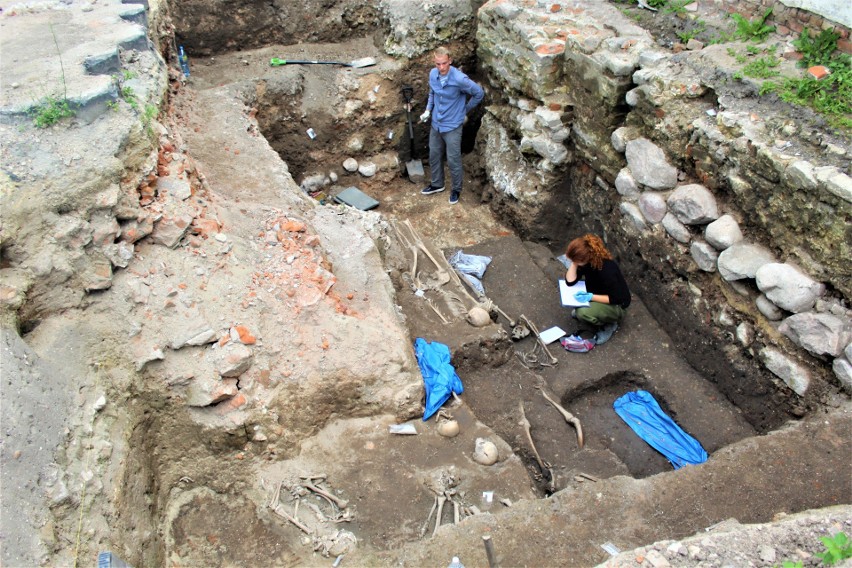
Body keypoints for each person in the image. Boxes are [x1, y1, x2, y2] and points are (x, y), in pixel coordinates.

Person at [419, 46, 484, 205]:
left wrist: (464, 110)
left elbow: (479, 94)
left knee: (453, 159)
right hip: (436, 123)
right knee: (434, 154)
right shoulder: (433, 74)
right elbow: (432, 93)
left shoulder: (460, 79)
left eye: (444, 63)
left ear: (450, 61)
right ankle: (437, 184)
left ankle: (456, 189)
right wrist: (428, 109)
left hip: (453, 126)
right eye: (437, 64)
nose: (441, 67)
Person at [564, 234, 631, 345]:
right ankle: (596, 311)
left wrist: (590, 296)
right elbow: (570, 282)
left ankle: (609, 323)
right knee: (575, 301)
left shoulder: (607, 271)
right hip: (599, 293)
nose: (574, 263)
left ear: (584, 258)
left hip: (617, 305)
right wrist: (575, 263)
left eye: (576, 261)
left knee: (582, 313)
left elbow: (616, 298)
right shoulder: (586, 263)